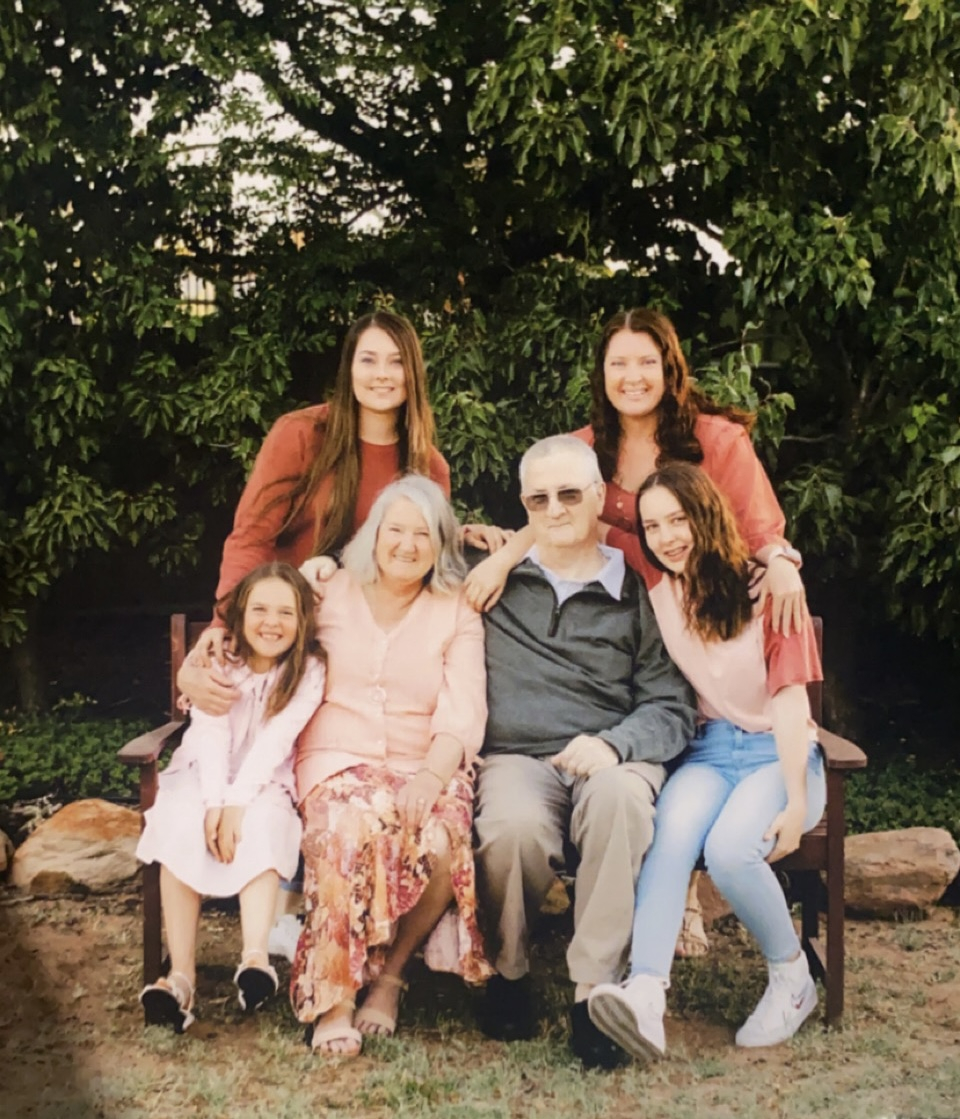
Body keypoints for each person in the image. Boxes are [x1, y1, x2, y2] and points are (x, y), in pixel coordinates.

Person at [465, 306, 807, 956]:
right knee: (645, 706)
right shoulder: (586, 447)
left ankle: (679, 899)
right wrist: (503, 558)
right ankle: (653, 902)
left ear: (670, 367)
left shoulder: (715, 441)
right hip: (628, 611)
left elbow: (759, 528)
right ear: (601, 372)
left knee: (664, 712)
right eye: (618, 362)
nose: (633, 376)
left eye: (647, 361)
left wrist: (783, 565)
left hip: (700, 620)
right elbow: (551, 512)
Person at [587, 462, 826, 1060]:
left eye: (679, 519)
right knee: (667, 839)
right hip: (710, 751)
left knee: (729, 851)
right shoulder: (657, 574)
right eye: (652, 526)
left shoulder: (769, 591)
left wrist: (797, 799)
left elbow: (790, 700)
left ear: (707, 514)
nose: (666, 537)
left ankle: (792, 977)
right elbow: (581, 514)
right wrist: (497, 549)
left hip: (778, 754)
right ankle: (645, 995)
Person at [472, 435, 697, 1069]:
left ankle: (593, 993)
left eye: (570, 494)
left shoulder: (641, 589)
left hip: (614, 753)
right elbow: (392, 558)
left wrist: (612, 744)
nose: (555, 509)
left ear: (599, 497)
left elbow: (670, 704)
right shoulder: (492, 577)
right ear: (523, 506)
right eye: (538, 499)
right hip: (519, 757)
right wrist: (322, 570)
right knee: (511, 827)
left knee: (620, 804)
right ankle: (508, 972)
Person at [180, 307, 505, 716]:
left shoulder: (427, 466)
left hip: (358, 649)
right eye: (368, 360)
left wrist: (453, 534)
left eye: (396, 362)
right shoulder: (300, 435)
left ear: (414, 373)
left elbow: (406, 554)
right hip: (285, 633)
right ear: (349, 369)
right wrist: (225, 620)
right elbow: (252, 538)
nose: (382, 374)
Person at [290, 475, 492, 1058]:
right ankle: (335, 1000)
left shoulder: (456, 610)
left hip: (423, 759)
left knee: (443, 836)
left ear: (442, 545)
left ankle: (391, 975)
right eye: (395, 530)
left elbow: (464, 707)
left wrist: (431, 777)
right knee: (346, 831)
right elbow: (266, 635)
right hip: (338, 757)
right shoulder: (330, 591)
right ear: (373, 535)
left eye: (423, 534)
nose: (407, 544)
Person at [136, 562, 326, 1032]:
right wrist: (215, 804)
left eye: (285, 612)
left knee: (264, 822)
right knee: (181, 820)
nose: (271, 622)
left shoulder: (309, 670)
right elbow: (211, 733)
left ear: (302, 620)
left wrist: (237, 804)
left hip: (266, 780)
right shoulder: (219, 660)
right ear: (239, 615)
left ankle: (255, 959)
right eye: (260, 609)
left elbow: (276, 741)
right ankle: (181, 978)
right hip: (204, 774)